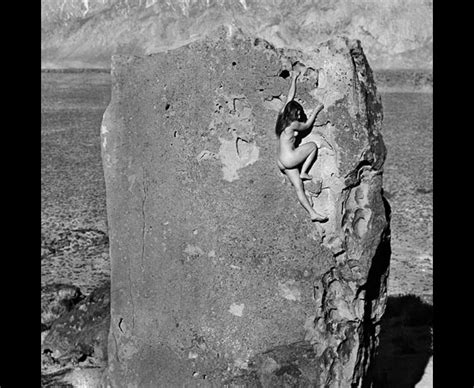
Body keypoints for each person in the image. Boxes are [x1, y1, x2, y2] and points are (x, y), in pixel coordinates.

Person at [275, 67, 328, 222]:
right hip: (290, 159)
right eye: (297, 113)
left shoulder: (282, 116)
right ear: (293, 114)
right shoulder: (293, 124)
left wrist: (294, 79)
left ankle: (312, 214)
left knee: (299, 187)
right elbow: (307, 126)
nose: (299, 115)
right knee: (312, 146)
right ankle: (304, 171)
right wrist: (317, 110)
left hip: (281, 162)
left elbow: (289, 99)